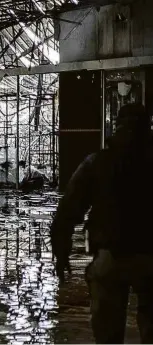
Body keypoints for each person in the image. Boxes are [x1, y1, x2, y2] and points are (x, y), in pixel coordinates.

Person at [50, 103, 153, 344]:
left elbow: (67, 212)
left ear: (116, 127)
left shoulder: (97, 163)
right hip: (151, 256)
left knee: (108, 333)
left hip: (110, 255)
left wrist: (61, 254)